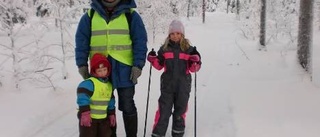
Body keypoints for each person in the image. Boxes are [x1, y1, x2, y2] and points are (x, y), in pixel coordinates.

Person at [75, 0, 148, 136]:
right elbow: (82, 41)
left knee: (127, 105)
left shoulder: (130, 15)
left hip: (125, 69)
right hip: (100, 69)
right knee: (103, 106)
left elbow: (140, 41)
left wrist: (138, 65)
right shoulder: (90, 16)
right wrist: (82, 64)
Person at [147, 19, 202, 137]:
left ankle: (177, 134)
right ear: (169, 35)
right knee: (163, 112)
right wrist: (153, 60)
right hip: (167, 86)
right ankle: (157, 134)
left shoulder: (189, 49)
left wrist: (196, 61)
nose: (175, 36)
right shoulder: (164, 49)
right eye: (172, 33)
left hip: (183, 86)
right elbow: (159, 65)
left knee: (180, 112)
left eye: (178, 33)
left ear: (182, 34)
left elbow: (194, 69)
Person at [77, 53, 116, 137]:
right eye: (99, 71)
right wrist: (84, 112)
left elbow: (111, 101)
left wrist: (111, 114)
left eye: (104, 69)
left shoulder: (109, 85)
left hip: (103, 120)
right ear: (94, 71)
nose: (102, 73)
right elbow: (82, 95)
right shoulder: (90, 83)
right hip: (90, 120)